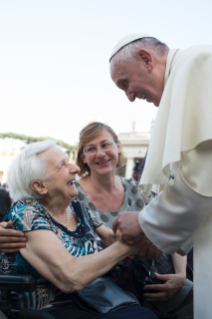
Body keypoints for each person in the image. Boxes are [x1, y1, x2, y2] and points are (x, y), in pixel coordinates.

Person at [0, 123, 189, 312]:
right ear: (40, 186)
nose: (74, 168)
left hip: (100, 297)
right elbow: (71, 276)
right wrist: (133, 244)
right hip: (62, 308)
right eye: (63, 165)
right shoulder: (26, 212)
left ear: (118, 147)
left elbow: (111, 238)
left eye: (106, 145)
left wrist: (146, 236)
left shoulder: (76, 207)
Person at [109, 33, 212, 318]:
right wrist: (158, 232)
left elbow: (205, 174)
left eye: (125, 84)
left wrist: (145, 222)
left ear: (146, 59)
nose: (129, 97)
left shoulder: (198, 63)